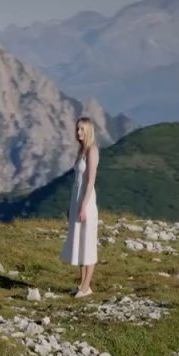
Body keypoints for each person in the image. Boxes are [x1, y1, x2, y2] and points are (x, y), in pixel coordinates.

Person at [60, 116, 100, 297]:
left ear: (88, 130)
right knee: (80, 242)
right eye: (77, 129)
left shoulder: (92, 151)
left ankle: (86, 287)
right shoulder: (81, 151)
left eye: (82, 129)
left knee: (88, 243)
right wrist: (73, 206)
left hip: (87, 202)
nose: (78, 132)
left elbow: (90, 181)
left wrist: (83, 206)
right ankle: (82, 284)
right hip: (77, 201)